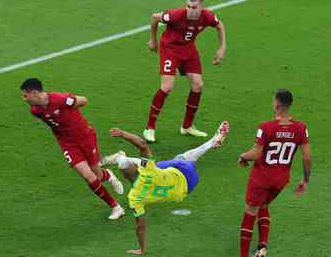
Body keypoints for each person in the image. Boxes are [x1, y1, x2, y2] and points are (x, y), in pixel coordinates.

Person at [103, 121, 230, 255]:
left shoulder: (134, 198)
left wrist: (142, 249)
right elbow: (142, 144)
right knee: (178, 158)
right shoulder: (148, 169)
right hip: (183, 171)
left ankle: (213, 142)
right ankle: (213, 142)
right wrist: (122, 134)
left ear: (124, 176)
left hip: (187, 189)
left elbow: (140, 226)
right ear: (136, 168)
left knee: (167, 164)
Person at [20, 78, 125, 220]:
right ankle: (116, 207)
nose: (24, 98)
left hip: (85, 137)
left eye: (25, 95)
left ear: (34, 93)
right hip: (68, 144)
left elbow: (84, 100)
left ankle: (108, 175)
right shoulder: (35, 110)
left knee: (98, 176)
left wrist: (70, 108)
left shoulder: (60, 99)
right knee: (88, 176)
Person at [143, 0, 227, 142]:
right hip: (170, 49)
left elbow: (220, 25)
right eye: (188, 6)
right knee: (167, 87)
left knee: (198, 85)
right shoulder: (175, 15)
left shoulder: (207, 16)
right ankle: (149, 128)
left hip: (188, 49)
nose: (189, 10)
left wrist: (222, 47)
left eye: (193, 7)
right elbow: (155, 17)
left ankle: (187, 126)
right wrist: (153, 40)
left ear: (201, 7)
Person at [237, 89, 311, 257]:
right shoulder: (301, 127)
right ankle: (262, 247)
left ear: (277, 104)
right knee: (264, 205)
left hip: (262, 178)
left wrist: (242, 156)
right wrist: (305, 180)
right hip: (281, 179)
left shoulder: (266, 127)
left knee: (250, 212)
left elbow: (255, 154)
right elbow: (306, 156)